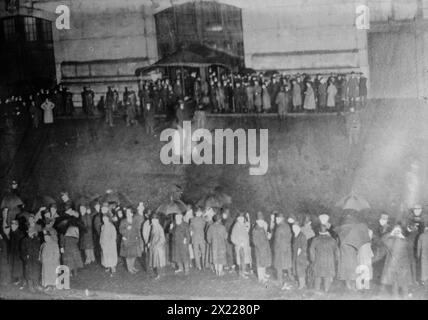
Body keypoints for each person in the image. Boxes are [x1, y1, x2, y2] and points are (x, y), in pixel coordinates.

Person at [381, 225, 412, 298]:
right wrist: (402, 237)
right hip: (402, 266)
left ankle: (397, 297)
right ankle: (404, 297)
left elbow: (383, 239)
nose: (397, 232)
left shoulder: (391, 240)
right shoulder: (403, 241)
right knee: (402, 283)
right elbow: (410, 246)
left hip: (395, 265)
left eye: (398, 231)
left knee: (396, 283)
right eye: (396, 231)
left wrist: (391, 234)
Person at [309, 224, 339, 292]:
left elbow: (311, 250)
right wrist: (336, 259)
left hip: (318, 260)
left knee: (317, 275)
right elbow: (337, 250)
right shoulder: (332, 240)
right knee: (327, 276)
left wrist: (313, 260)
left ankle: (317, 289)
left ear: (319, 232)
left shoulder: (316, 239)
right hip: (329, 261)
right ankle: (326, 289)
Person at [20, 216, 41, 292]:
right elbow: (22, 251)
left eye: (32, 232)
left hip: (35, 258)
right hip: (28, 259)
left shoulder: (36, 239)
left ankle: (36, 285)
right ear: (28, 232)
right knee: (28, 272)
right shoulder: (24, 240)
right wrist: (25, 257)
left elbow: (38, 249)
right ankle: (30, 286)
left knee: (36, 271)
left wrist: (38, 256)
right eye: (30, 232)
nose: (31, 233)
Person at [273, 213, 293, 289]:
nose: (276, 220)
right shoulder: (287, 226)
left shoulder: (279, 228)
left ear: (280, 219)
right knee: (287, 264)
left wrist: (275, 248)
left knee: (279, 265)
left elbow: (277, 240)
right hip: (287, 248)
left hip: (280, 249)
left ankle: (280, 281)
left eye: (277, 219)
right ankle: (291, 277)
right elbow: (290, 236)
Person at [119, 207, 143, 274]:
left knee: (134, 255)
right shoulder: (123, 221)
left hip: (134, 240)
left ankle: (132, 267)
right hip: (127, 240)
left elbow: (137, 229)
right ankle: (129, 268)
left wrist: (137, 236)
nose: (127, 213)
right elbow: (120, 230)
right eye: (126, 212)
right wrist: (126, 229)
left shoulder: (135, 221)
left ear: (132, 214)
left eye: (129, 212)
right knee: (128, 255)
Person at [252, 212, 272, 283]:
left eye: (262, 221)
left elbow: (265, 237)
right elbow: (255, 241)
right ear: (258, 221)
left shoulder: (262, 228)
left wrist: (268, 236)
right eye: (261, 221)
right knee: (260, 264)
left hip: (264, 248)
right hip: (260, 250)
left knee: (263, 263)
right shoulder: (256, 229)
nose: (262, 222)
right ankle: (261, 278)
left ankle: (263, 275)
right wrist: (260, 249)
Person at [231, 212, 251, 279]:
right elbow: (232, 237)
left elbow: (247, 228)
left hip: (245, 246)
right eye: (240, 218)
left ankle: (243, 271)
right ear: (237, 219)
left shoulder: (243, 224)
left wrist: (248, 218)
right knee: (241, 259)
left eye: (242, 218)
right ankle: (241, 273)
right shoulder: (236, 226)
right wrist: (238, 243)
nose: (241, 219)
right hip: (240, 246)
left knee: (244, 259)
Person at [149, 213, 166, 279]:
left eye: (154, 220)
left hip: (158, 248)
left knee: (159, 261)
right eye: (152, 220)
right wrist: (149, 243)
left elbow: (162, 239)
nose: (152, 222)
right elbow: (152, 237)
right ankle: (159, 274)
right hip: (154, 247)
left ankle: (159, 274)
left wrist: (156, 245)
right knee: (156, 261)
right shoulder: (153, 227)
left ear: (157, 220)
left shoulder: (159, 228)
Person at [292, 223, 308, 289]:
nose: (293, 230)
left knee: (301, 270)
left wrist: (300, 250)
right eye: (293, 228)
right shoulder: (296, 235)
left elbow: (304, 246)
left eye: (295, 228)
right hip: (296, 256)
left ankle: (302, 285)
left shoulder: (302, 236)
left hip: (301, 256)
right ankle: (301, 283)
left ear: (298, 228)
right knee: (297, 270)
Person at [417, 219, 428, 286]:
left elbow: (419, 247)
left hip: (424, 254)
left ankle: (424, 280)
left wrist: (418, 255)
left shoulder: (421, 236)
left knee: (424, 266)